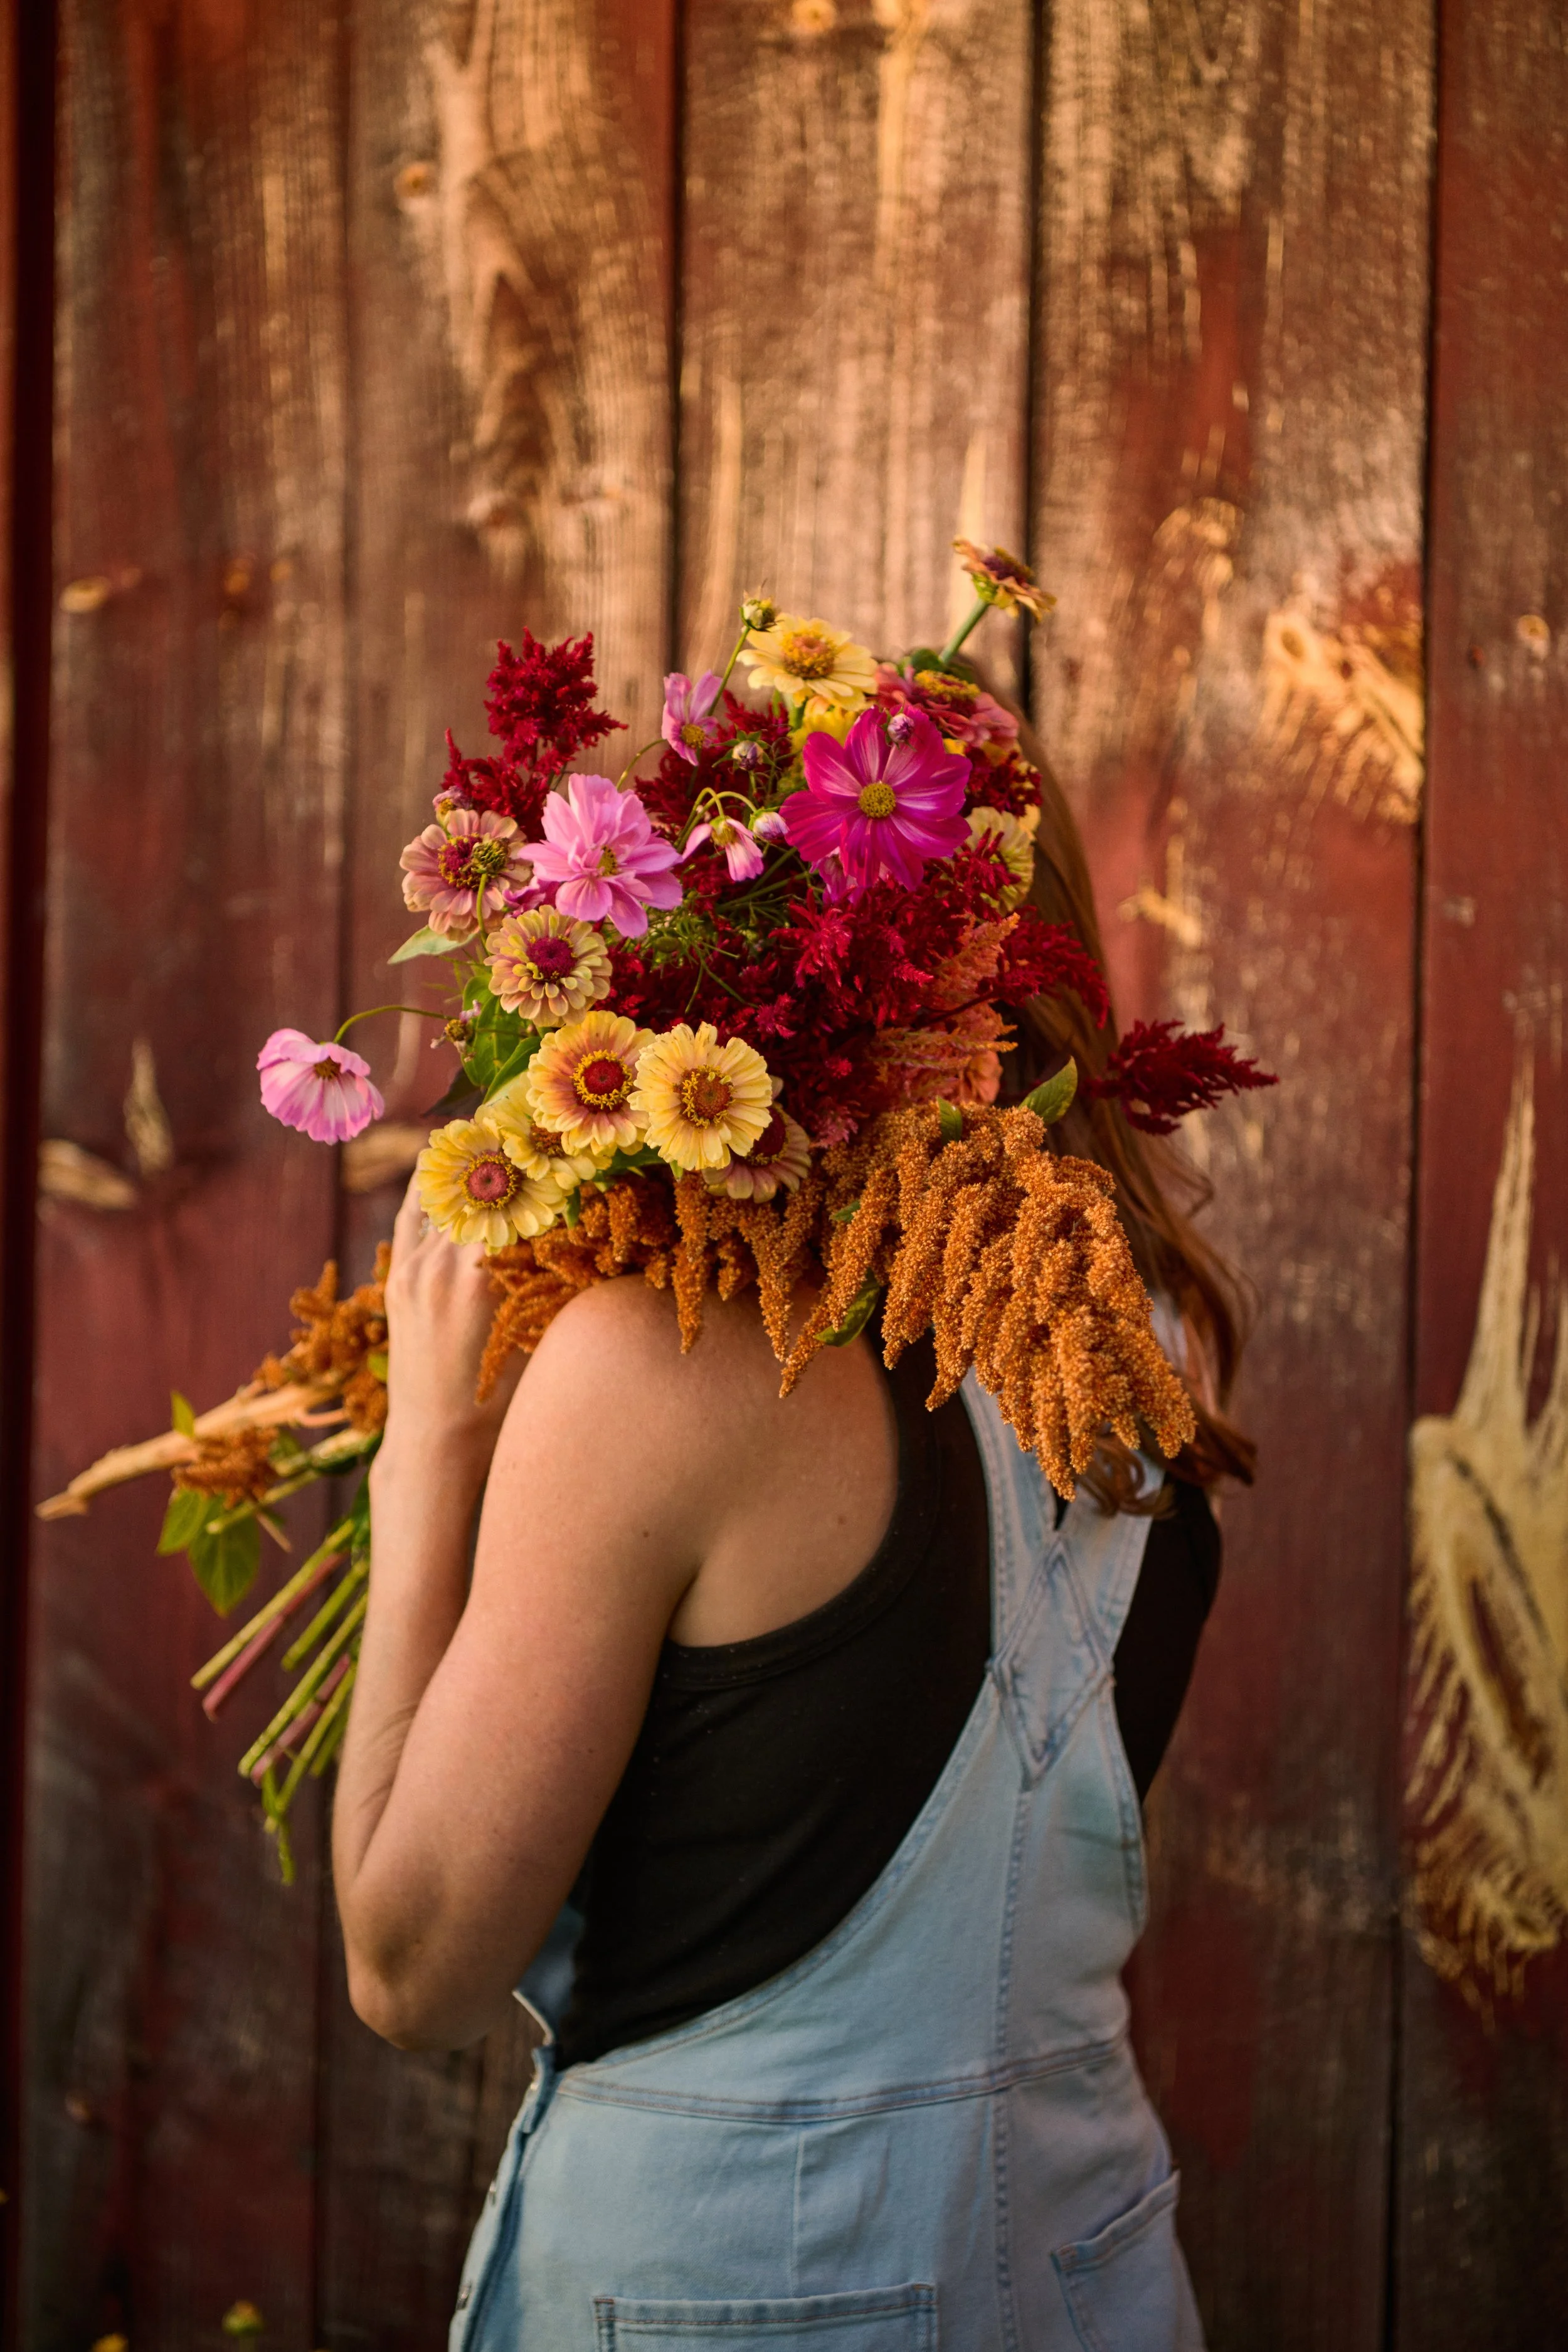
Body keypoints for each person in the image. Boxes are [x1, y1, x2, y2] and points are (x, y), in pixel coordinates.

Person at [330, 724, 1253, 2351]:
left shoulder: (659, 1366)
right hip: (1090, 2262)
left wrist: (428, 1459)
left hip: (731, 2280)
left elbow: (413, 1970)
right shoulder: (1144, 1342)